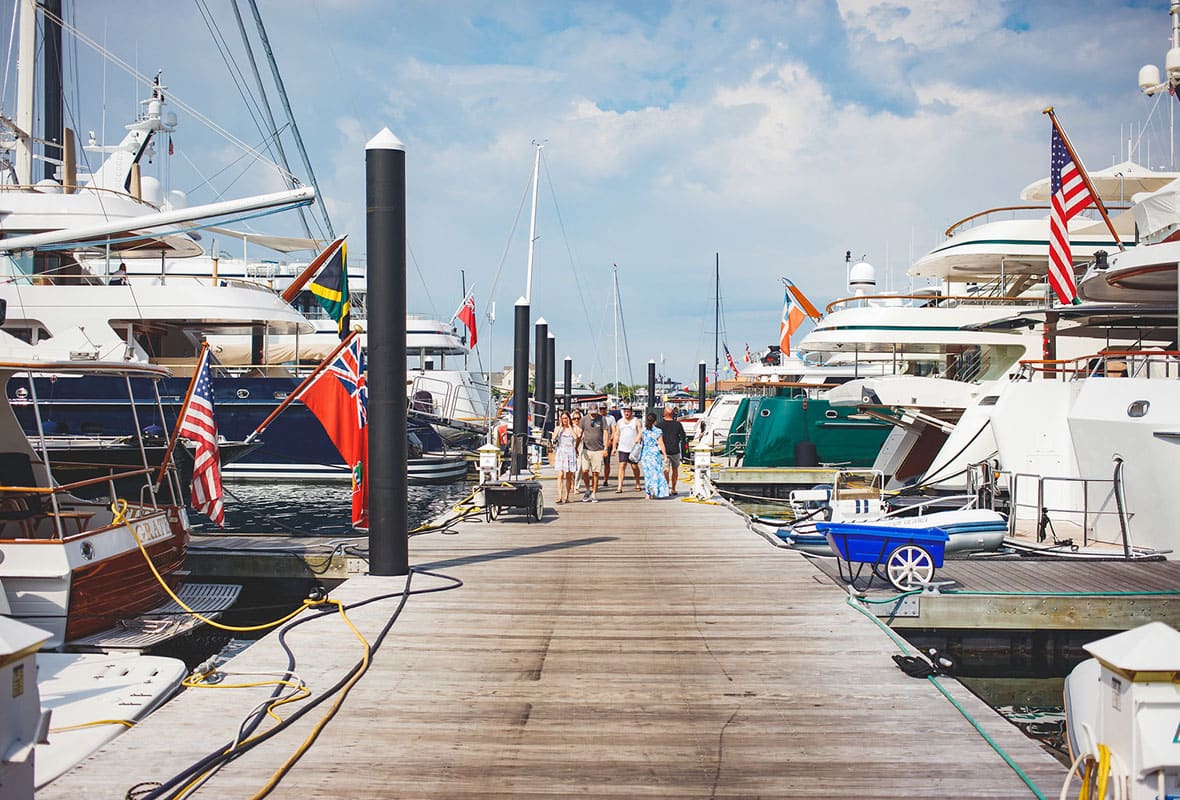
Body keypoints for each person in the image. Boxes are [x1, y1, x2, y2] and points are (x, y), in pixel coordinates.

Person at [635, 412, 669, 499]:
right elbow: (661, 444)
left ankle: (648, 493)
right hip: (654, 453)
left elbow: (636, 440)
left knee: (647, 474)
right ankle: (657, 490)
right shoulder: (658, 431)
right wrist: (665, 455)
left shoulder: (643, 430)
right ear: (655, 421)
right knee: (656, 472)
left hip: (645, 453)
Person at [656, 406, 688, 496]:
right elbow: (683, 436)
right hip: (675, 450)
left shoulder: (659, 424)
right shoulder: (677, 424)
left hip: (663, 451)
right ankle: (673, 488)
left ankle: (666, 488)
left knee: (666, 470)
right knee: (675, 470)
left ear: (664, 414)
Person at [578, 405, 607, 502]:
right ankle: (587, 489)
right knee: (585, 471)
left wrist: (605, 448)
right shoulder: (584, 419)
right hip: (586, 449)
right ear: (589, 411)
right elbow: (580, 433)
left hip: (598, 449)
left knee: (596, 473)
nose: (593, 413)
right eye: (592, 411)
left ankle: (594, 493)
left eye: (595, 411)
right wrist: (576, 446)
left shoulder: (602, 419)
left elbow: (606, 432)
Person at [612, 406, 643, 493]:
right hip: (622, 447)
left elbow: (640, 431)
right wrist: (614, 447)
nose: (626, 413)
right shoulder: (620, 422)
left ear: (631, 412)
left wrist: (638, 439)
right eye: (625, 411)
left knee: (634, 467)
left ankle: (637, 483)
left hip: (633, 448)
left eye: (628, 411)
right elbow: (617, 434)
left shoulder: (636, 421)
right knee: (622, 465)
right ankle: (619, 486)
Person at [551, 411, 579, 504]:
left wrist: (570, 426)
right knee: (560, 475)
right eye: (563, 418)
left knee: (569, 476)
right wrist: (559, 426)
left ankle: (566, 495)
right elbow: (554, 438)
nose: (565, 420)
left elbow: (575, 437)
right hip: (561, 452)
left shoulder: (573, 428)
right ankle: (559, 496)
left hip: (570, 452)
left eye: (566, 418)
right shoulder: (558, 428)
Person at [601, 402, 616, 483]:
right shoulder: (596, 417)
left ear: (606, 409)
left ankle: (605, 479)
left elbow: (614, 430)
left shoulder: (611, 418)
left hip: (607, 442)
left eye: (603, 408)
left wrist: (610, 440)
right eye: (601, 409)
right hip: (598, 443)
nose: (602, 410)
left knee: (607, 462)